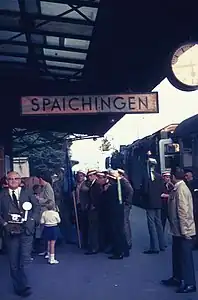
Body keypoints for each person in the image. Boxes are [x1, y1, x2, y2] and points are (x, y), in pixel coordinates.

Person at [0, 171, 40, 297]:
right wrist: (4, 225)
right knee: (13, 262)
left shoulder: (27, 193)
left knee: (24, 258)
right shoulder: (2, 195)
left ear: (20, 181)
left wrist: (32, 221)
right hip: (10, 231)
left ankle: (24, 285)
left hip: (26, 230)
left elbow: (36, 208)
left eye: (16, 178)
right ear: (6, 181)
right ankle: (18, 286)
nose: (13, 181)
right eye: (10, 179)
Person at [161, 168, 196, 293]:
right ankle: (177, 277)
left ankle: (189, 283)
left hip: (183, 230)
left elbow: (183, 211)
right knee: (177, 255)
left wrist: (185, 231)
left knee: (185, 258)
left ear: (174, 176)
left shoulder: (180, 190)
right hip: (178, 229)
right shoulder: (178, 188)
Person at [40, 199, 61, 264]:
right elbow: (59, 221)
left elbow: (42, 222)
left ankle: (48, 254)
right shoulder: (55, 213)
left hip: (46, 228)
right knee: (52, 244)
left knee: (48, 242)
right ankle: (52, 259)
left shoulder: (44, 213)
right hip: (54, 228)